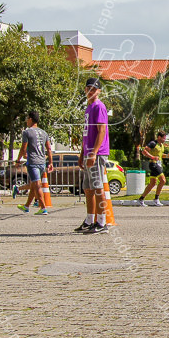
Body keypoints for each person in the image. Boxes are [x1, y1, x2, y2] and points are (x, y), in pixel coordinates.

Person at [76, 77, 110, 234]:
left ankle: (102, 221)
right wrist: (82, 152)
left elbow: (101, 130)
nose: (90, 91)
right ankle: (90, 219)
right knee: (88, 188)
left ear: (99, 91)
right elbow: (86, 133)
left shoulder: (98, 106)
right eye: (88, 88)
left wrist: (94, 152)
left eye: (94, 89)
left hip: (97, 153)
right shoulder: (88, 108)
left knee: (97, 188)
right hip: (88, 152)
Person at [12, 111, 53, 215]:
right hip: (42, 162)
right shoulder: (44, 133)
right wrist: (50, 162)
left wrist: (18, 160)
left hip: (33, 162)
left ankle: (43, 208)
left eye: (27, 118)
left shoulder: (27, 132)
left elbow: (23, 148)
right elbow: (48, 148)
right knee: (34, 184)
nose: (26, 120)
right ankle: (26, 206)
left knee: (37, 185)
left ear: (30, 119)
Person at [137, 131, 169, 206]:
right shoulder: (153, 143)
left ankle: (141, 199)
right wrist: (152, 157)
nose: (164, 140)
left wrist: (166, 156)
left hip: (158, 164)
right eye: (163, 138)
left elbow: (160, 155)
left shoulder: (161, 145)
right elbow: (144, 151)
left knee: (152, 183)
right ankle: (156, 199)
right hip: (153, 164)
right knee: (163, 180)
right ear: (159, 137)